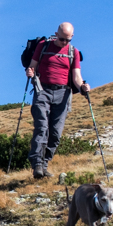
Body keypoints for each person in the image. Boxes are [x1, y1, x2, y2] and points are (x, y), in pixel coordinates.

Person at [25, 21, 90, 179]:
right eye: (62, 39)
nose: (64, 43)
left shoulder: (73, 52)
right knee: (41, 127)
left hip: (63, 94)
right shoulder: (43, 47)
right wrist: (30, 72)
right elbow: (33, 65)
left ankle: (45, 163)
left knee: (55, 133)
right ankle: (37, 165)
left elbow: (76, 77)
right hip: (43, 90)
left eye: (68, 40)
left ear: (72, 37)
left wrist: (82, 87)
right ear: (56, 34)